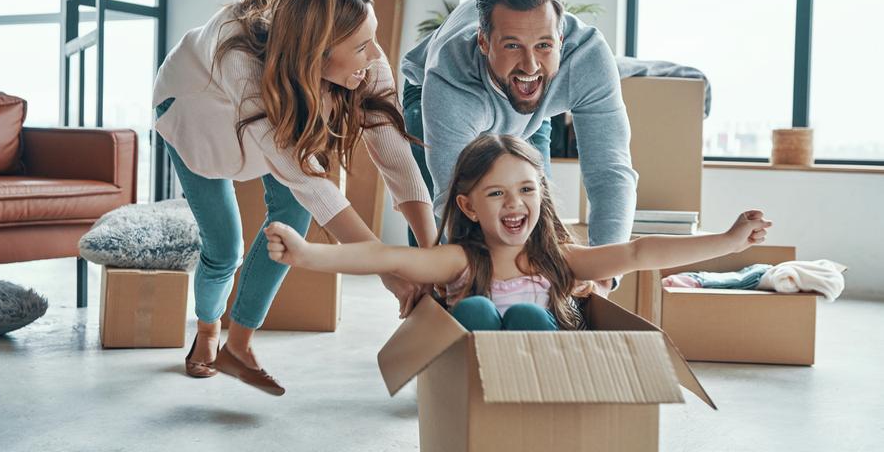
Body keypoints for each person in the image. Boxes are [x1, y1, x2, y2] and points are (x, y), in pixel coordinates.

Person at [152, 0, 437, 395]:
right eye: (362, 47)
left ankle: (240, 346)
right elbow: (313, 184)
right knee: (224, 247)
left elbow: (397, 158)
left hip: (269, 124)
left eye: (373, 38)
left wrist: (431, 258)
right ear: (318, 54)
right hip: (196, 120)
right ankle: (209, 329)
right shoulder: (242, 64)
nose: (377, 56)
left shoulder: (364, 64)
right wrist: (389, 270)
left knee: (292, 222)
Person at [264, 134, 772, 331]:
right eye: (496, 194)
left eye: (527, 190)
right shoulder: (460, 259)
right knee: (477, 309)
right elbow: (387, 259)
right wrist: (308, 255)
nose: (515, 204)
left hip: (542, 380)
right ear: (467, 205)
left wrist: (727, 242)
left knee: (530, 311)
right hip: (473, 384)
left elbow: (640, 251)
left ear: (541, 195)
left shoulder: (561, 260)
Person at [401, 0, 639, 296]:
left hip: (530, 108)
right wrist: (476, 282)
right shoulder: (450, 76)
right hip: (430, 94)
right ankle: (430, 304)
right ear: (483, 42)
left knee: (537, 211)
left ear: (561, 40)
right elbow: (454, 197)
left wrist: (602, 277)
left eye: (544, 45)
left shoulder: (588, 59)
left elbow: (610, 172)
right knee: (439, 234)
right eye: (513, 45)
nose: (530, 64)